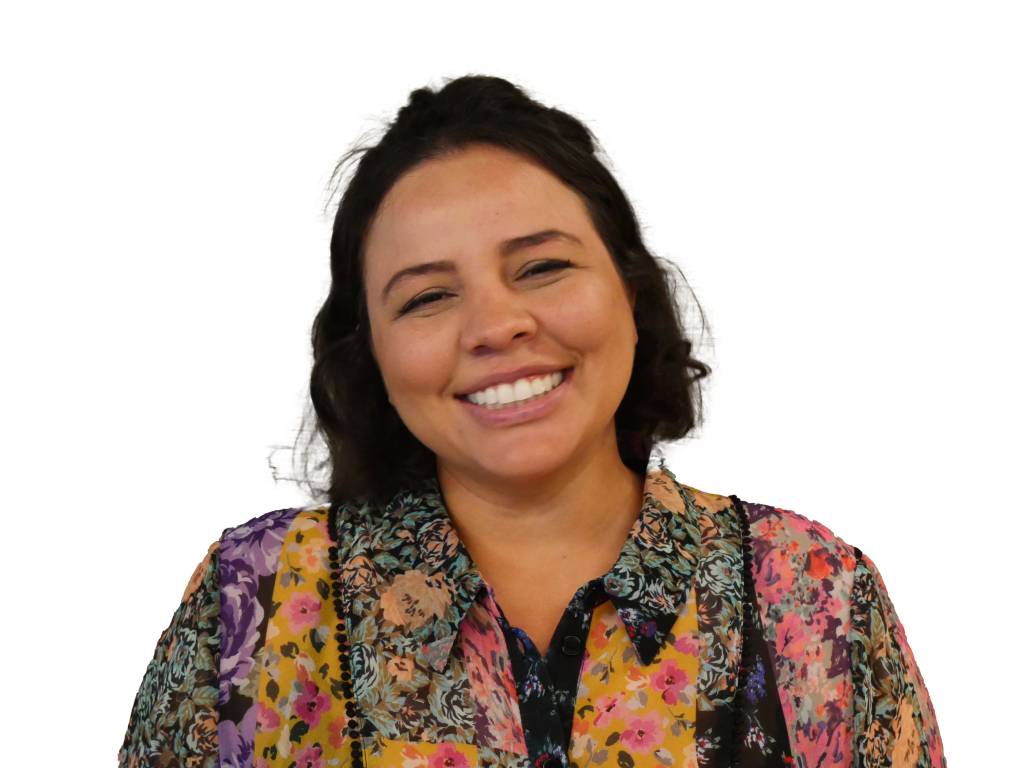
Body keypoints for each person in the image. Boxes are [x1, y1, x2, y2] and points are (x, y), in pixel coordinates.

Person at [119, 75, 945, 768]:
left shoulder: (815, 592)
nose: (496, 326)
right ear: (369, 353)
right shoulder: (255, 600)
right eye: (428, 297)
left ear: (630, 293)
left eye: (543, 267)